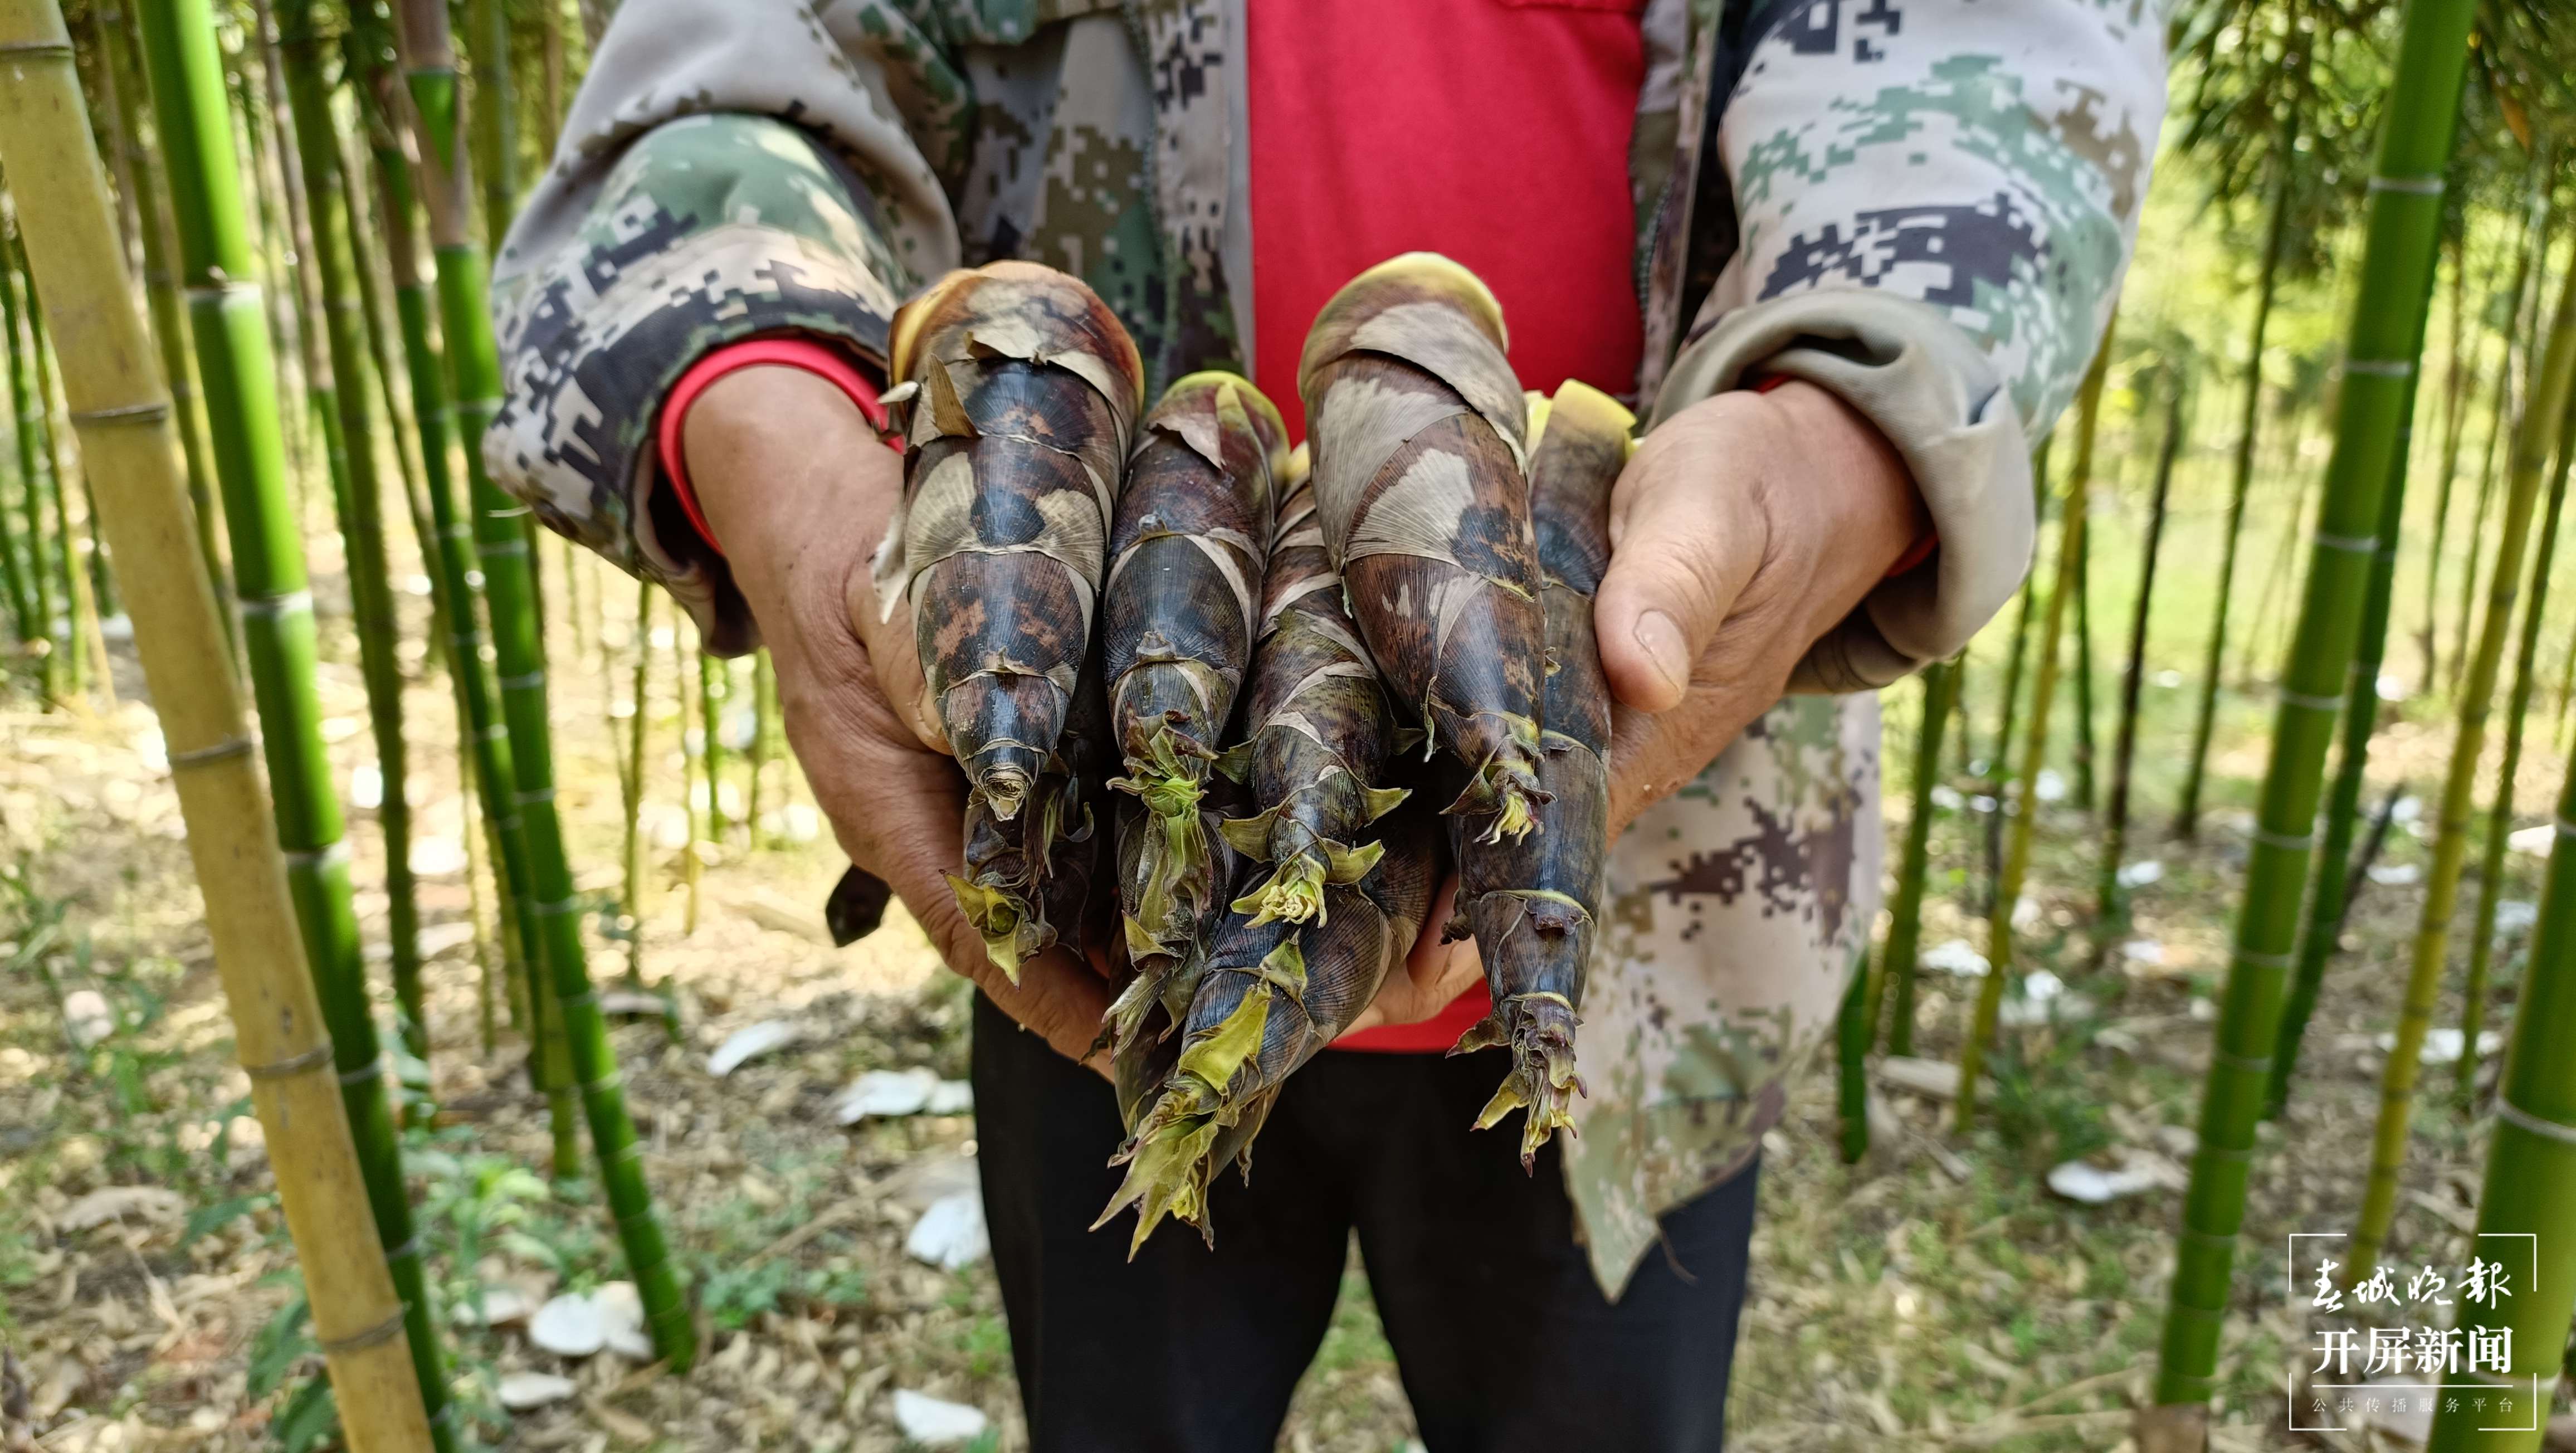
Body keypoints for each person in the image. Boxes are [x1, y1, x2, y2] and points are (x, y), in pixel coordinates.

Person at [487, 3, 2163, 1447]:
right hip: (1098, 890)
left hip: (1659, 916)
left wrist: (1850, 432)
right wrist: (762, 430)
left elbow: (1997, 73)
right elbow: (737, 77)